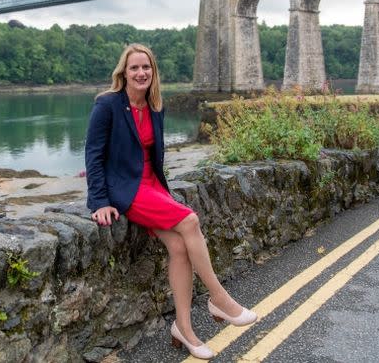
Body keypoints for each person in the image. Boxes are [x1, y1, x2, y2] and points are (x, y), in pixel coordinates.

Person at [85, 43, 257, 360]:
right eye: (134, 67)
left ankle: (184, 328)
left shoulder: (156, 107)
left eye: (146, 67)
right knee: (190, 220)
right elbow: (93, 155)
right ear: (123, 72)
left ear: (154, 72)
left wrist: (161, 188)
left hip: (152, 185)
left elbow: (152, 156)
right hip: (128, 189)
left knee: (179, 247)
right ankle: (219, 298)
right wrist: (99, 201)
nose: (141, 73)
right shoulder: (107, 105)